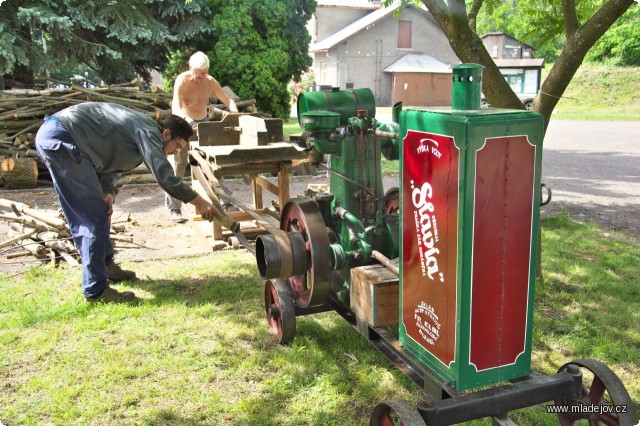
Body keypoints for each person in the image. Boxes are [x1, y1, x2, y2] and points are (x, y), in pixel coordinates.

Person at [35, 102, 224, 303]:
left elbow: (111, 161)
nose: (176, 152)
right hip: (63, 139)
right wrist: (199, 201)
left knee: (101, 210)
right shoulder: (148, 130)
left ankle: (106, 266)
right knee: (90, 217)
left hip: (74, 143)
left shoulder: (141, 134)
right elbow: (164, 176)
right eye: (177, 146)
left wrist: (108, 191)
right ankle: (96, 291)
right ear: (166, 134)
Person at [167, 51, 239, 223]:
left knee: (212, 164)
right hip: (182, 126)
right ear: (190, 68)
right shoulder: (182, 80)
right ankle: (174, 208)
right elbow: (176, 106)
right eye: (197, 73)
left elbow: (228, 101)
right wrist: (187, 122)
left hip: (203, 125)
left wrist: (235, 113)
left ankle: (225, 201)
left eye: (204, 73)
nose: (200, 76)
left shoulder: (210, 81)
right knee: (177, 166)